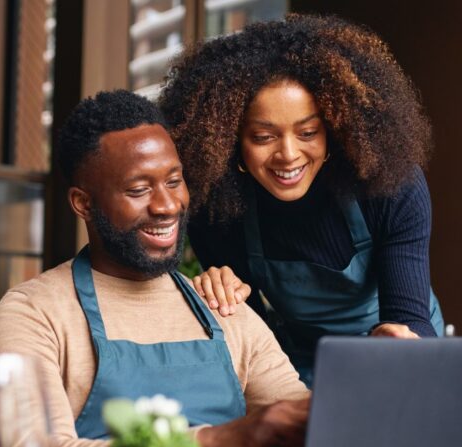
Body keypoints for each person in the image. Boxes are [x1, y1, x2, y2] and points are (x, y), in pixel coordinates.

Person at [0, 89, 309, 447]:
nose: (167, 205)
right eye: (139, 189)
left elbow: (299, 422)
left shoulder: (223, 305)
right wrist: (214, 442)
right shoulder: (33, 313)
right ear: (83, 204)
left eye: (174, 181)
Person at [158, 14, 444, 385]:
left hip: (397, 352)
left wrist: (401, 340)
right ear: (230, 142)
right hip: (302, 363)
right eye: (263, 137)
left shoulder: (390, 185)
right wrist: (222, 297)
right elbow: (254, 340)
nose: (289, 155)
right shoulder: (218, 209)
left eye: (308, 131)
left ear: (334, 130)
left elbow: (409, 315)